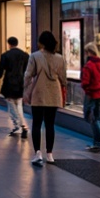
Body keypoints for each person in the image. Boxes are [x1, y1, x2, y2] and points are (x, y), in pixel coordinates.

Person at [24, 30, 67, 165]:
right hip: (54, 94)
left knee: (36, 123)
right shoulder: (60, 58)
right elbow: (63, 78)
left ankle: (38, 153)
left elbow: (28, 75)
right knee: (50, 124)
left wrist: (24, 88)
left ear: (41, 43)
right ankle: (50, 154)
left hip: (39, 93)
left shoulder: (35, 56)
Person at [0, 36, 29, 138]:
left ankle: (20, 125)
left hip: (9, 83)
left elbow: (0, 71)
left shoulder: (5, 55)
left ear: (9, 44)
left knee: (11, 104)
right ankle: (20, 125)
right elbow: (26, 69)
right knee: (18, 104)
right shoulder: (24, 55)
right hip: (20, 83)